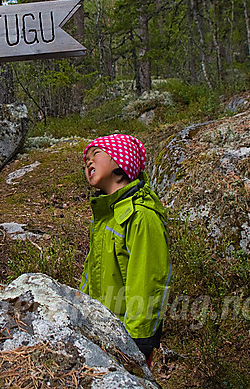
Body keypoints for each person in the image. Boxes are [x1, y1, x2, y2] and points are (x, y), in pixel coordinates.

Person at [79, 134, 171, 367]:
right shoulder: (105, 217)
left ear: (121, 160)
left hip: (128, 338)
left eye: (96, 154)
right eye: (86, 159)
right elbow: (91, 274)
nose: (88, 162)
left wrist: (137, 342)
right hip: (101, 330)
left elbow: (149, 281)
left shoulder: (141, 216)